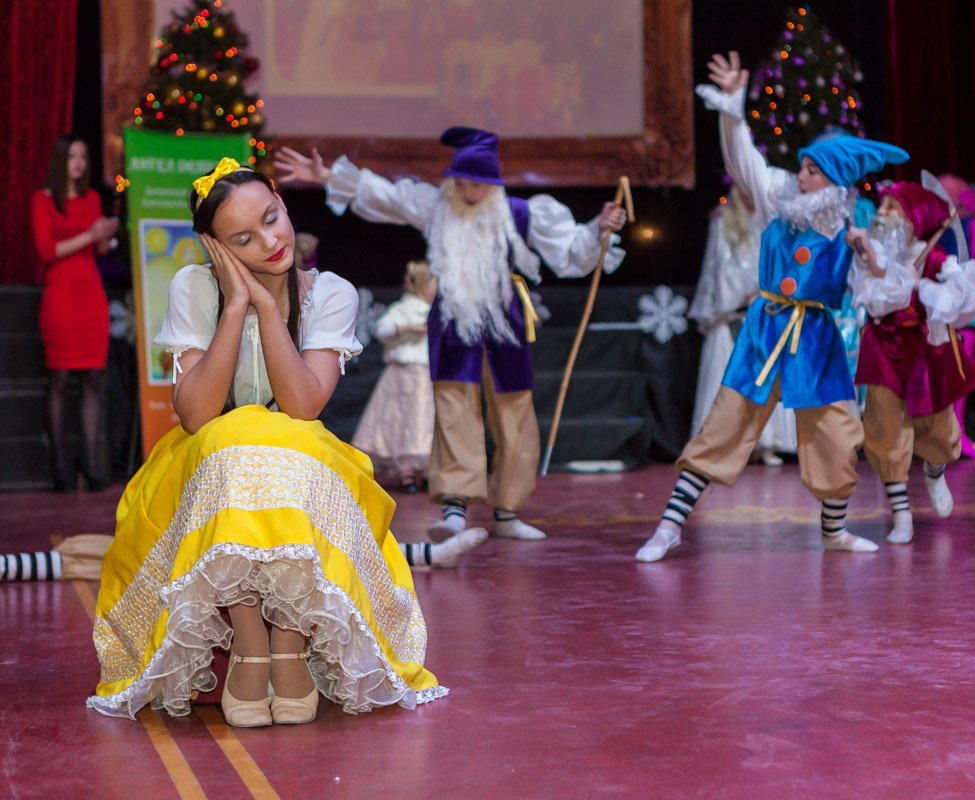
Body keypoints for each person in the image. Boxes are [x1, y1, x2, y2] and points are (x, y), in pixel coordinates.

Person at [88, 159, 452, 728]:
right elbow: (196, 415)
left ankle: (288, 642)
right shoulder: (194, 288)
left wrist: (267, 305)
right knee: (234, 433)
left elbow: (304, 406)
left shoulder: (329, 293)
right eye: (243, 239)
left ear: (282, 201)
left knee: (272, 433)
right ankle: (250, 642)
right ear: (215, 247)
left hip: (306, 462)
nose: (271, 241)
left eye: (272, 218)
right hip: (205, 464)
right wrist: (236, 305)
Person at [276, 128, 627, 543]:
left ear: (493, 183)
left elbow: (571, 247)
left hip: (503, 319)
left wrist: (599, 227)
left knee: (514, 411)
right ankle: (456, 507)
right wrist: (331, 178)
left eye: (476, 183)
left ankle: (508, 509)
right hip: (451, 319)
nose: (467, 191)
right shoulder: (437, 206)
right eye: (460, 182)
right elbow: (388, 195)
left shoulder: (519, 213)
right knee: (454, 409)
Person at [636, 51, 909, 562]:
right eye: (802, 167)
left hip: (817, 338)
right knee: (725, 425)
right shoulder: (778, 204)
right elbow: (746, 162)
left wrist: (872, 260)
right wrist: (733, 109)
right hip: (766, 326)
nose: (799, 175)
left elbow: (890, 294)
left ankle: (834, 532)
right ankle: (670, 528)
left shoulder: (852, 232)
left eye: (810, 170)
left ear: (833, 180)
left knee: (835, 436)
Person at [849, 182, 975, 544]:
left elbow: (967, 297)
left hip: (924, 350)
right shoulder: (869, 255)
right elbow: (875, 301)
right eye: (882, 207)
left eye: (893, 208)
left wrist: (924, 288)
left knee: (939, 430)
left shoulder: (934, 256)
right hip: (882, 348)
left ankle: (934, 471)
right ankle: (901, 514)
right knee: (885, 429)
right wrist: (884, 271)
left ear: (913, 220)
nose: (882, 213)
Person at [31, 135, 118, 490]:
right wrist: (90, 234)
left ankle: (91, 458)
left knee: (93, 380)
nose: (79, 163)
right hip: (60, 296)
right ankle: (59, 462)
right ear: (59, 161)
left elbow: (98, 249)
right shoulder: (43, 199)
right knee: (60, 378)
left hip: (90, 295)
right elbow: (47, 250)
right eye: (72, 157)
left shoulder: (93, 198)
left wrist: (105, 237)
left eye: (83, 156)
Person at [689, 185, 794, 466]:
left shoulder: (772, 220)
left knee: (764, 377)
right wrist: (739, 296)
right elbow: (719, 267)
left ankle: (765, 443)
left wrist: (766, 292)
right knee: (728, 377)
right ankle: (723, 443)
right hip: (732, 313)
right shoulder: (724, 221)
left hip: (765, 309)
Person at [353, 260, 438, 492]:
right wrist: (409, 328)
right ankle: (406, 471)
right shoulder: (403, 308)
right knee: (402, 421)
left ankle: (428, 470)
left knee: (425, 422)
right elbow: (382, 330)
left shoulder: (434, 311)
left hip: (426, 375)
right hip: (403, 373)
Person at [937, 174, 975, 458]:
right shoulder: (939, 229)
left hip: (968, 307)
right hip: (944, 306)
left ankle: (957, 433)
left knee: (963, 370)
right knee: (947, 372)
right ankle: (946, 435)